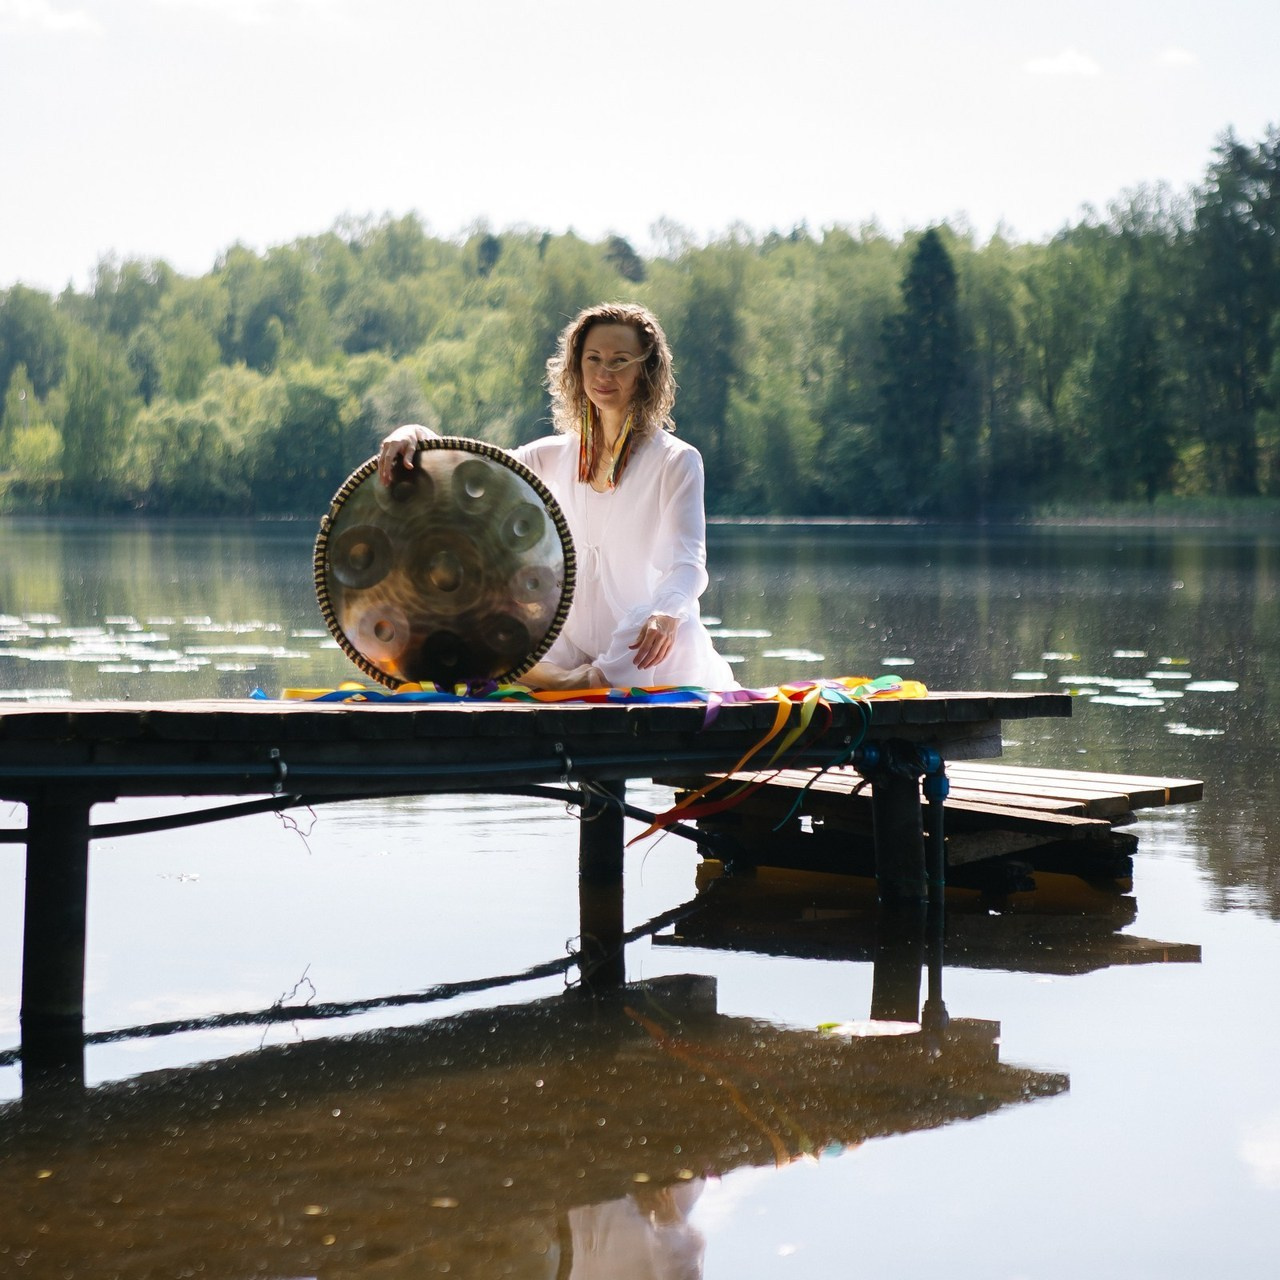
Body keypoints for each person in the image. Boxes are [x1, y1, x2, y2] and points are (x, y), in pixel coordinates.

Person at [378, 302, 736, 692]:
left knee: (668, 633)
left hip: (641, 649)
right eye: (593, 359)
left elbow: (687, 564)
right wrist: (414, 432)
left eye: (619, 361)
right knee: (489, 621)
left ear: (645, 370)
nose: (603, 372)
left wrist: (666, 614)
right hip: (568, 643)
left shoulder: (677, 460)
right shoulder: (551, 455)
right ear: (576, 366)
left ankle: (576, 681)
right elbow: (470, 470)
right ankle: (573, 679)